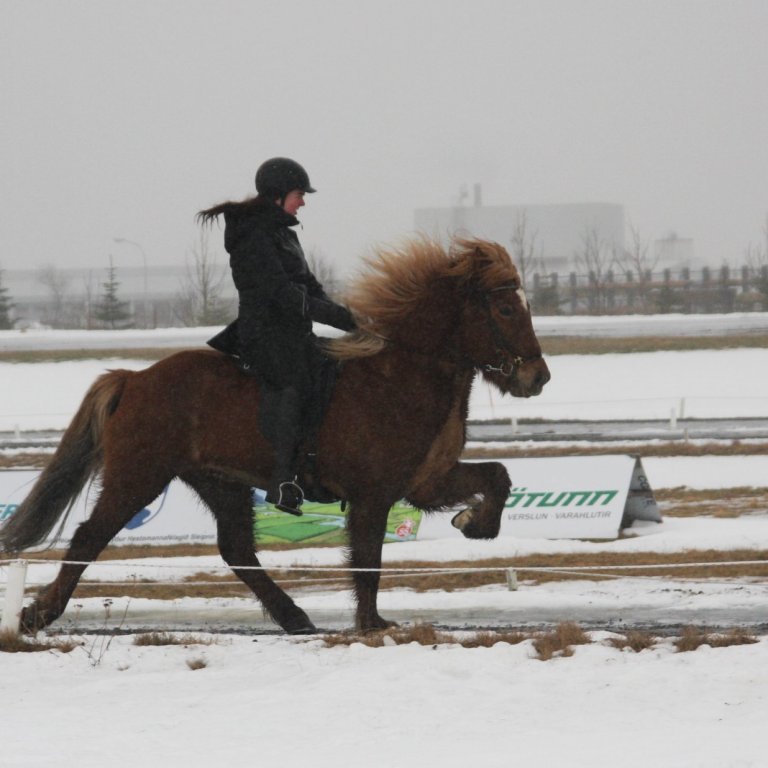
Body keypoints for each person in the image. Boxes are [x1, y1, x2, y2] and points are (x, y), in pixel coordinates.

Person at [197, 157, 356, 515]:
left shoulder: (284, 233)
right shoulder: (252, 234)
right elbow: (283, 294)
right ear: (278, 195)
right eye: (300, 194)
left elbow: (310, 287)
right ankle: (283, 480)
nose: (303, 202)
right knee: (294, 381)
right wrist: (341, 318)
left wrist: (353, 320)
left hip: (294, 333)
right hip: (263, 335)